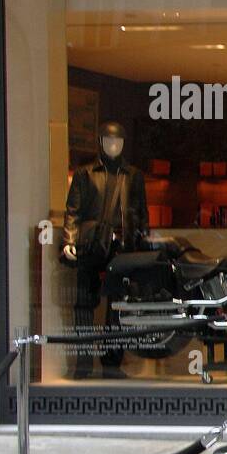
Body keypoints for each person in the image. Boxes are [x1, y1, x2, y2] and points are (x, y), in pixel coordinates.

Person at [62, 120, 149, 379]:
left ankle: (112, 363)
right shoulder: (85, 173)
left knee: (118, 305)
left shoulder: (133, 175)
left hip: (121, 246)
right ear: (101, 142)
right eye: (109, 141)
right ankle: (83, 363)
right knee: (84, 303)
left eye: (118, 141)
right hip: (90, 243)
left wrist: (141, 243)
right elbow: (73, 210)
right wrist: (69, 240)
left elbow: (141, 213)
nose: (114, 145)